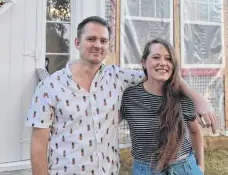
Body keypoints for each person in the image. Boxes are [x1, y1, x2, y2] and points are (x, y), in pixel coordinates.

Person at [25, 16, 214, 175]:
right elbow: (38, 146)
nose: (97, 45)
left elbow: (161, 75)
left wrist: (198, 99)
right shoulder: (49, 86)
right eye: (91, 39)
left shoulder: (118, 77)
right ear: (77, 42)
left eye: (103, 41)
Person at [121, 38, 204, 175]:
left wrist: (200, 166)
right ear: (143, 62)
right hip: (146, 170)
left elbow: (195, 131)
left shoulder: (182, 95)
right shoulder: (129, 96)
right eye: (156, 57)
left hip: (185, 168)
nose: (163, 63)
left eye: (168, 59)